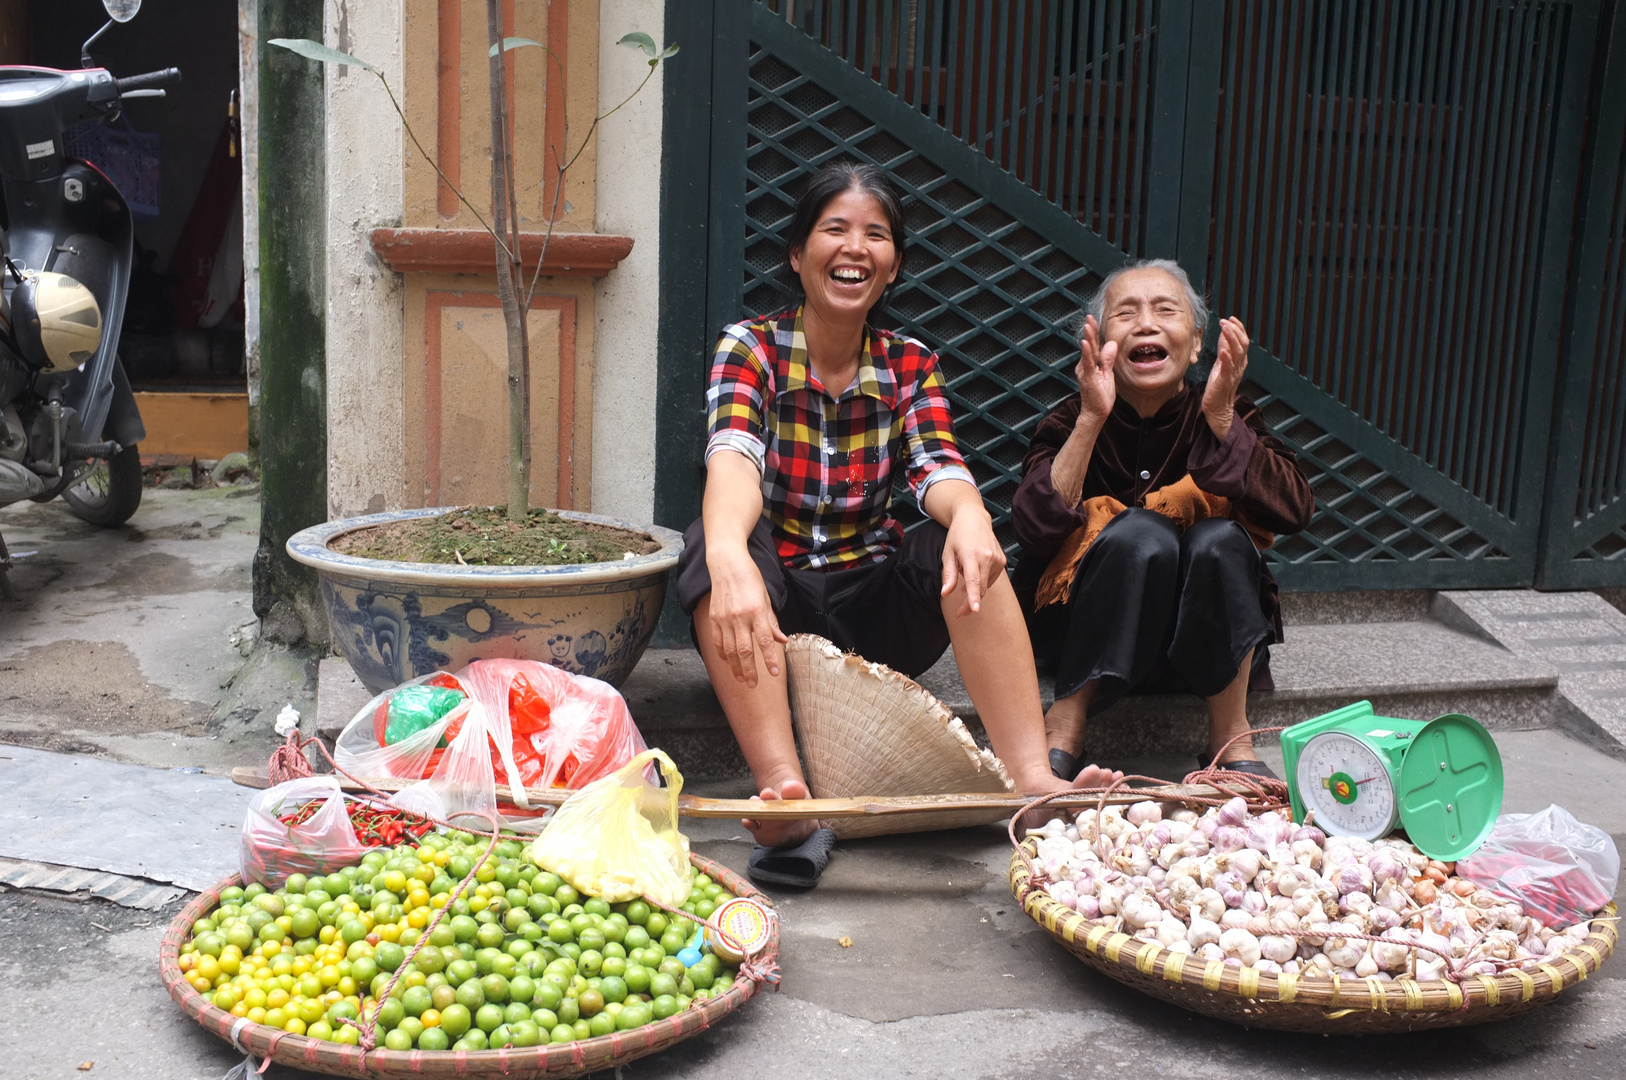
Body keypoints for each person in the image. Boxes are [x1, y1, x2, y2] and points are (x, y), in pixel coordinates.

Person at [677, 163, 1120, 886]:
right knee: (711, 544)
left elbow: (937, 467)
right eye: (836, 229)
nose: (855, 247)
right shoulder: (750, 347)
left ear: (892, 269)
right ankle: (787, 793)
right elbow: (733, 458)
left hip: (873, 619)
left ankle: (1034, 779)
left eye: (875, 235)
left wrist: (972, 514)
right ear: (797, 255)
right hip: (771, 614)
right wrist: (728, 554)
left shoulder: (910, 364)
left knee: (956, 543)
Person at [1010, 259, 1314, 781]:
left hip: (1197, 641)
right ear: (1100, 341)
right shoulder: (1071, 416)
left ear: (1195, 343)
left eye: (1165, 311)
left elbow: (1295, 508)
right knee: (1141, 534)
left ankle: (1230, 736)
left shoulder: (1225, 410)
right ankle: (1065, 726)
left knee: (1221, 539)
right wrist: (1089, 420)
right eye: (1125, 313)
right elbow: (1033, 527)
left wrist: (1222, 420)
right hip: (1086, 639)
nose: (1146, 324)